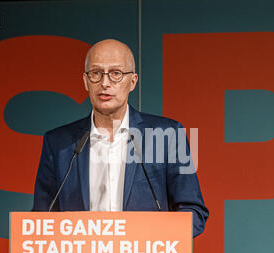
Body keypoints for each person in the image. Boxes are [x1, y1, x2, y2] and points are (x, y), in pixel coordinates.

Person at [32, 39, 208, 237]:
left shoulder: (168, 135)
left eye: (116, 73)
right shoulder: (58, 143)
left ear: (132, 81)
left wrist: (150, 239)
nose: (104, 83)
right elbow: (41, 219)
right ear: (85, 81)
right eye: (96, 73)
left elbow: (193, 213)